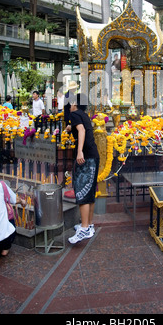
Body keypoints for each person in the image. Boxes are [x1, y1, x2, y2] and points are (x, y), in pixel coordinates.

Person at [68, 94, 100, 244]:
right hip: (93, 156)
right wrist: (69, 128)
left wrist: (79, 151)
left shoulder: (74, 114)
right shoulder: (84, 115)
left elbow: (81, 130)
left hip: (85, 157)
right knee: (90, 191)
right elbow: (79, 127)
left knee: (82, 190)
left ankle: (85, 228)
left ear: (74, 103)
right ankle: (88, 225)